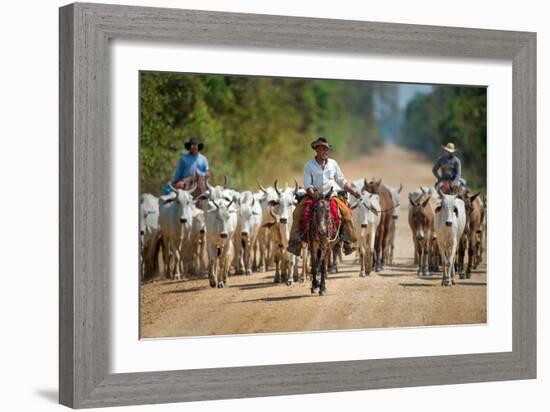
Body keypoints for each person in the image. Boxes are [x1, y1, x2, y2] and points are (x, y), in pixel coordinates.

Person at [287, 137, 361, 257]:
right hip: (313, 196)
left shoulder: (333, 164)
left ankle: (348, 242)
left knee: (346, 213)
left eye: (327, 149)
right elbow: (307, 184)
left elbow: (341, 181)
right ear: (316, 150)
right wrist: (312, 192)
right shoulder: (309, 165)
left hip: (331, 196)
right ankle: (295, 243)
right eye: (323, 149)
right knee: (297, 213)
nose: (325, 151)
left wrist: (353, 191)